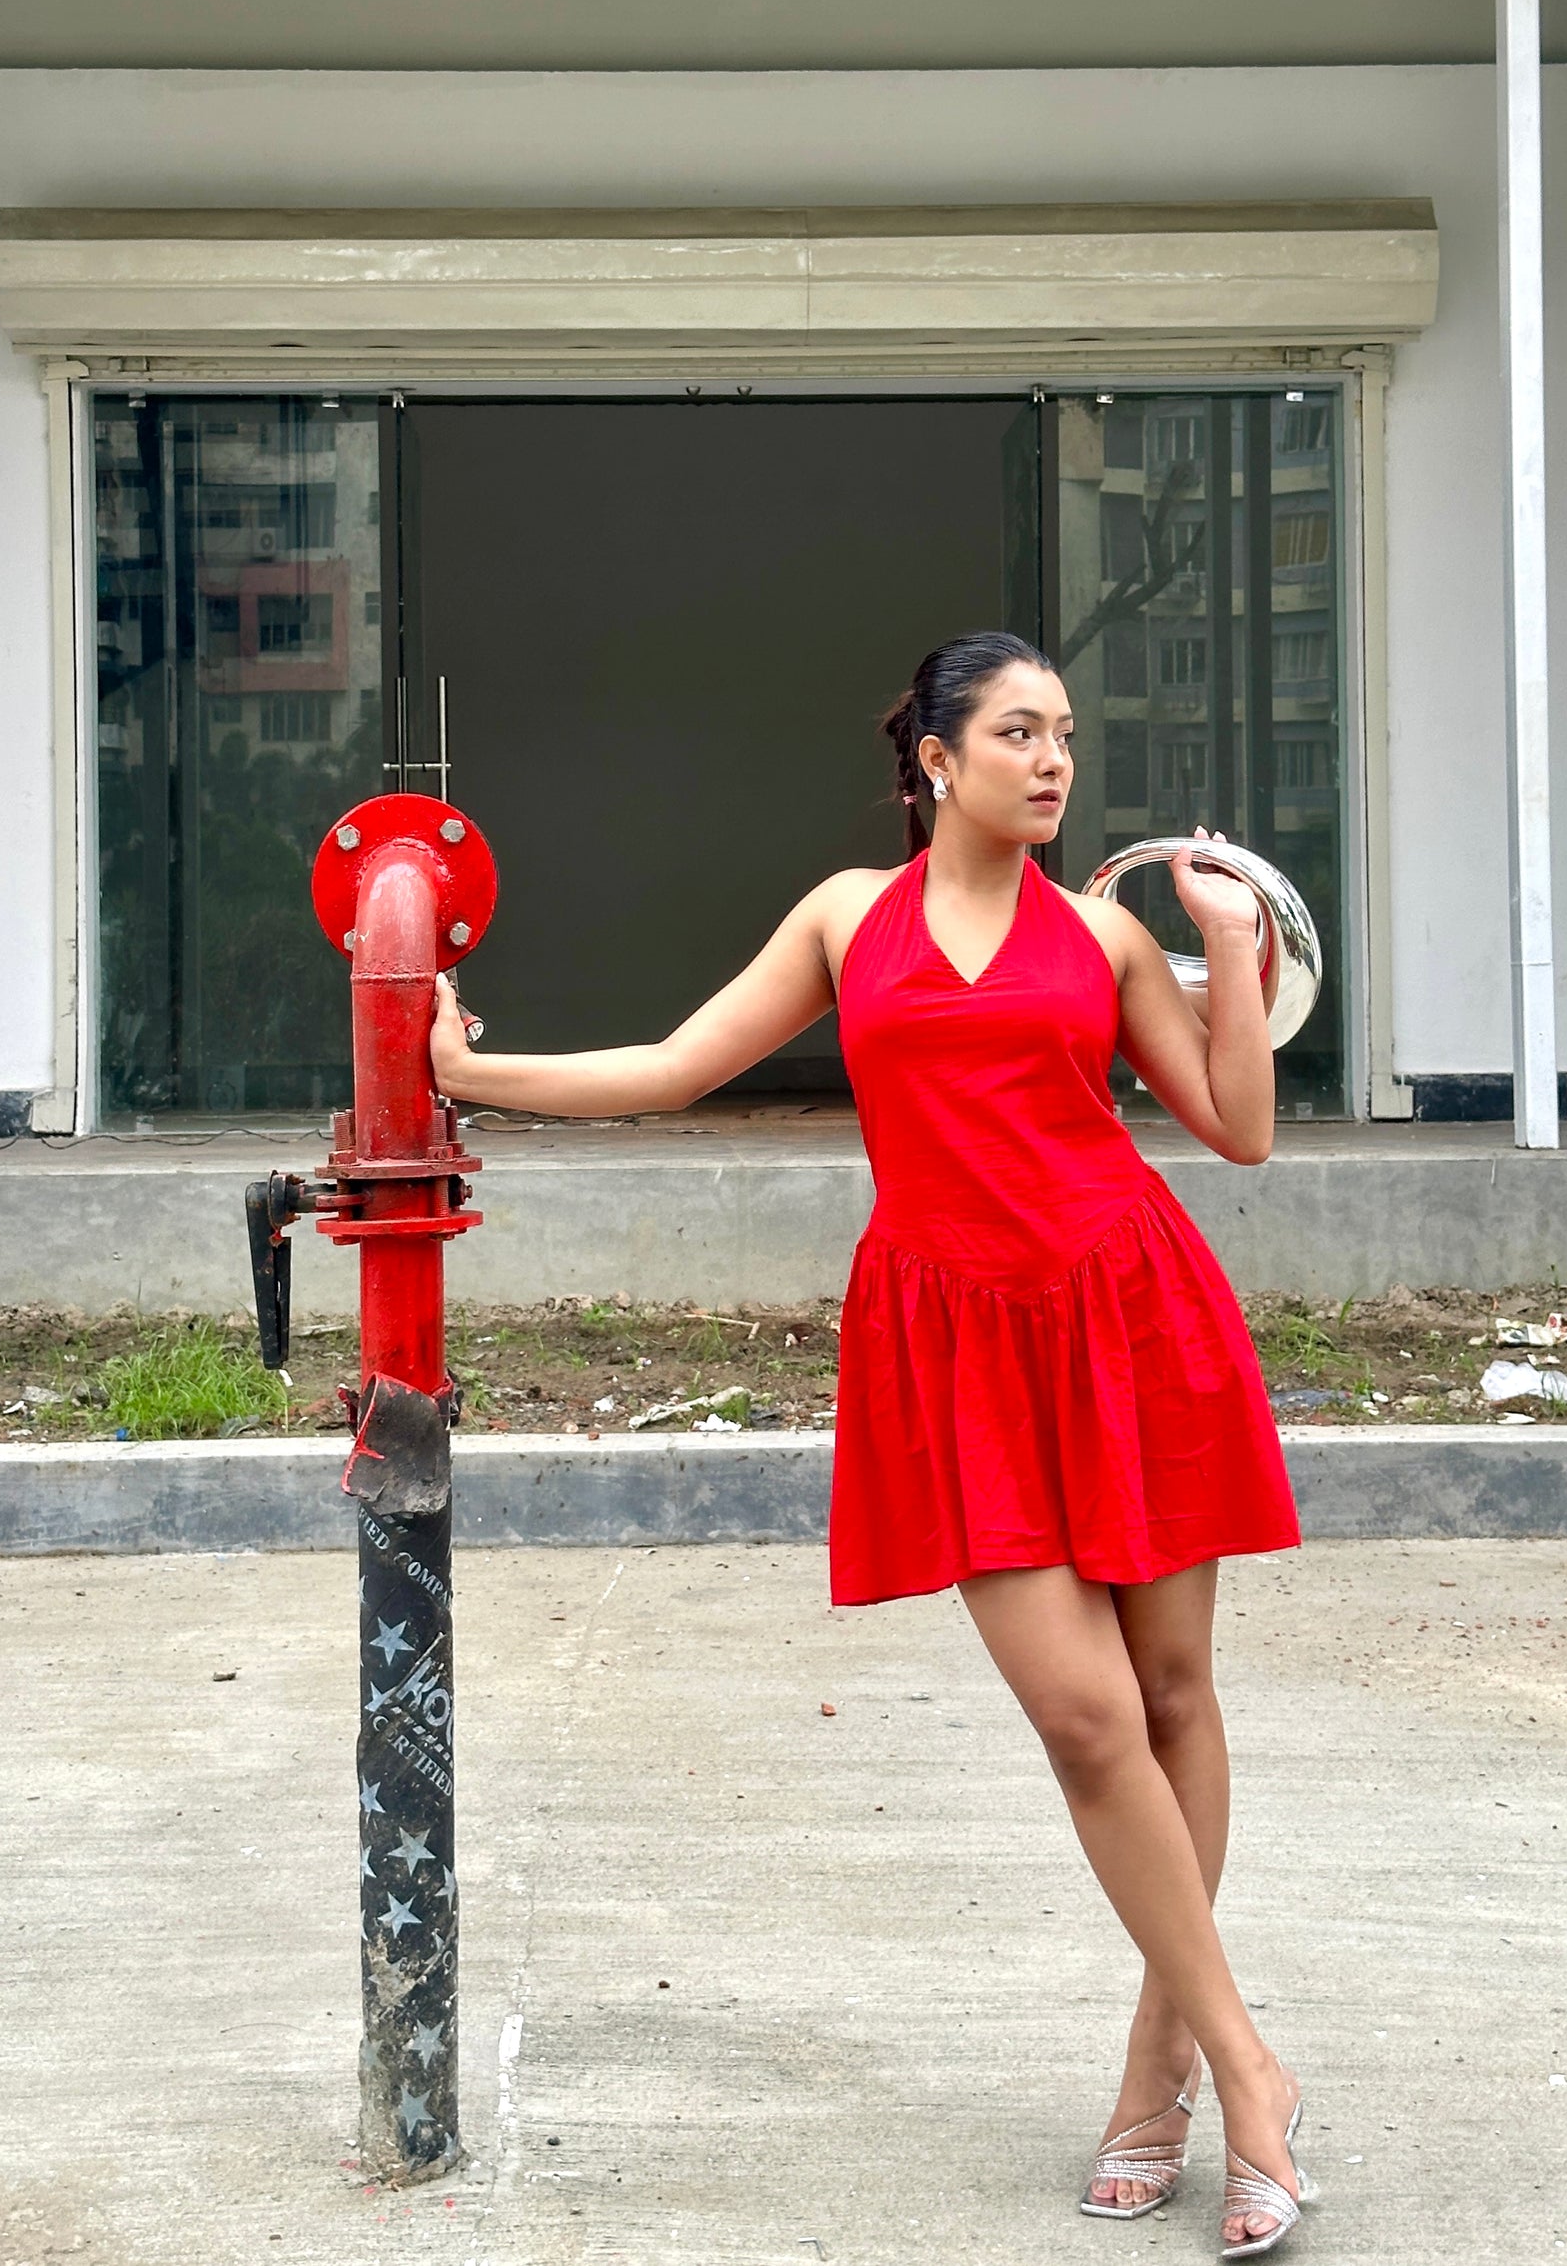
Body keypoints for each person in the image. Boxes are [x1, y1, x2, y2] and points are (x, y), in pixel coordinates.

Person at [429, 630, 1315, 2258]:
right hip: (951, 1341)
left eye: (1063, 736)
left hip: (1129, 1318)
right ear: (935, 756)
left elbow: (1238, 1129)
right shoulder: (848, 919)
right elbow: (679, 1067)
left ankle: (1161, 2071)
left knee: (1174, 1697)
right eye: (1017, 733)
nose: (1049, 762)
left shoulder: (1107, 936)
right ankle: (1254, 2070)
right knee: (1082, 1717)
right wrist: (471, 1071)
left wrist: (1232, 956)